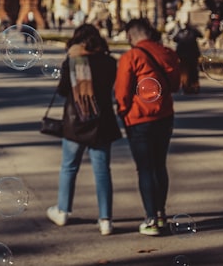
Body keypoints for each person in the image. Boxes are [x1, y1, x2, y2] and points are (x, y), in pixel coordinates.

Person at [46, 24, 122, 235]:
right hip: (101, 122)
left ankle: (62, 211)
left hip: (76, 121)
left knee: (69, 167)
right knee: (102, 171)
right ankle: (105, 219)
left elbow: (62, 91)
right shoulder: (109, 62)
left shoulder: (71, 60)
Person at [114, 17, 181, 236]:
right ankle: (161, 215)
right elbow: (175, 85)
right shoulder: (167, 53)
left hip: (140, 119)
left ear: (131, 35)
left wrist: (123, 111)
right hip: (165, 116)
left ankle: (151, 218)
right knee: (159, 165)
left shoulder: (131, 56)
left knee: (145, 168)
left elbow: (122, 92)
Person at [171, 21, 202, 94]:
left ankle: (186, 87)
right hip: (193, 54)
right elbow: (201, 35)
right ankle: (195, 86)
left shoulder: (180, 32)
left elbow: (174, 39)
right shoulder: (193, 32)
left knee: (185, 72)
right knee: (194, 71)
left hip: (183, 55)